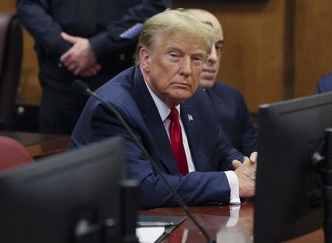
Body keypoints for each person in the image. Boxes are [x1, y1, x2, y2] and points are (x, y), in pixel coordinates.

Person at [69, 9, 257, 209]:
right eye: (174, 56)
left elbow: (222, 152)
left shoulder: (195, 96)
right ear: (146, 58)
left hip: (194, 219)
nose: (186, 70)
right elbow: (143, 189)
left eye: (196, 59)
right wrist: (233, 183)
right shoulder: (113, 108)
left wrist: (249, 170)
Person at [16, 0, 171, 134]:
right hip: (61, 73)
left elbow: (155, 7)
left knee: (119, 155)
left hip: (119, 72)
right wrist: (64, 48)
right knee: (55, 157)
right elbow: (28, 6)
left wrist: (99, 46)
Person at [185, 9, 257, 156]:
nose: (213, 58)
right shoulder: (163, 103)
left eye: (218, 47)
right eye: (204, 46)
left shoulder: (232, 98)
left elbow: (254, 162)